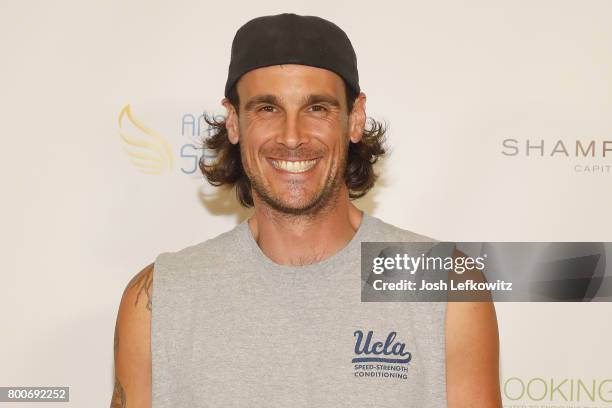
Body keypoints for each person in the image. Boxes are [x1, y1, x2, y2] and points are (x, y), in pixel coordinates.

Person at [111, 13, 502, 408]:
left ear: (355, 118)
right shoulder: (161, 296)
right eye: (267, 109)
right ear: (234, 121)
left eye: (317, 108)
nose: (292, 136)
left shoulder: (443, 285)